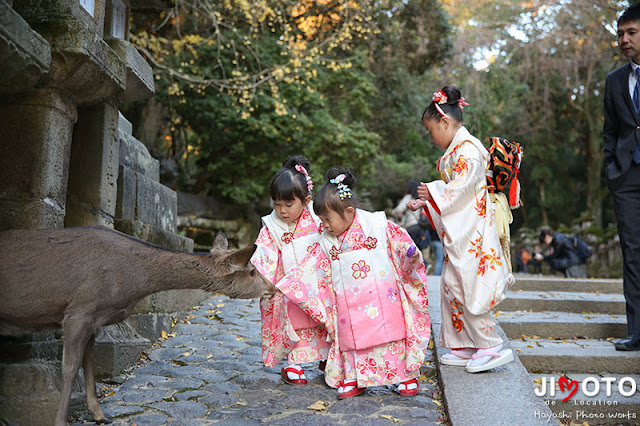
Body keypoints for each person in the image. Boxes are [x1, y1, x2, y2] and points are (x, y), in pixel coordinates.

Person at [275, 167, 431, 399]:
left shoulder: (377, 224)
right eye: (322, 220)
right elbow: (313, 267)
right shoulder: (327, 240)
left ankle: (405, 375)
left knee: (391, 337)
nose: (325, 225)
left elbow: (400, 242)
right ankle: (356, 378)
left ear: (349, 212)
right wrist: (293, 283)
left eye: (328, 219)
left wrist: (409, 253)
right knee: (353, 341)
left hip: (382, 299)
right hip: (349, 306)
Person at [407, 85, 515, 373]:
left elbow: (463, 189)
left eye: (432, 130)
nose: (431, 138)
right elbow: (455, 192)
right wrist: (428, 202)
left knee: (468, 286)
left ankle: (490, 345)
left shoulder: (469, 151)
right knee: (453, 286)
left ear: (445, 122)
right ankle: (466, 342)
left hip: (474, 231)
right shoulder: (459, 150)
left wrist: (433, 192)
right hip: (465, 228)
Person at [250, 155, 330, 385]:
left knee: (321, 319)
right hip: (285, 285)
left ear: (305, 201)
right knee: (291, 324)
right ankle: (293, 362)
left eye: (288, 204)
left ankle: (326, 356)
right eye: (277, 204)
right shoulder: (271, 225)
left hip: (313, 282)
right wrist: (262, 276)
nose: (282, 210)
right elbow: (263, 251)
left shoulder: (316, 218)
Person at [603, 3, 640, 351]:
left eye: (631, 32)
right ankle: (637, 331)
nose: (624, 40)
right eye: (620, 34)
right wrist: (612, 167)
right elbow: (610, 130)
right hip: (626, 176)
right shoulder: (614, 80)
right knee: (632, 252)